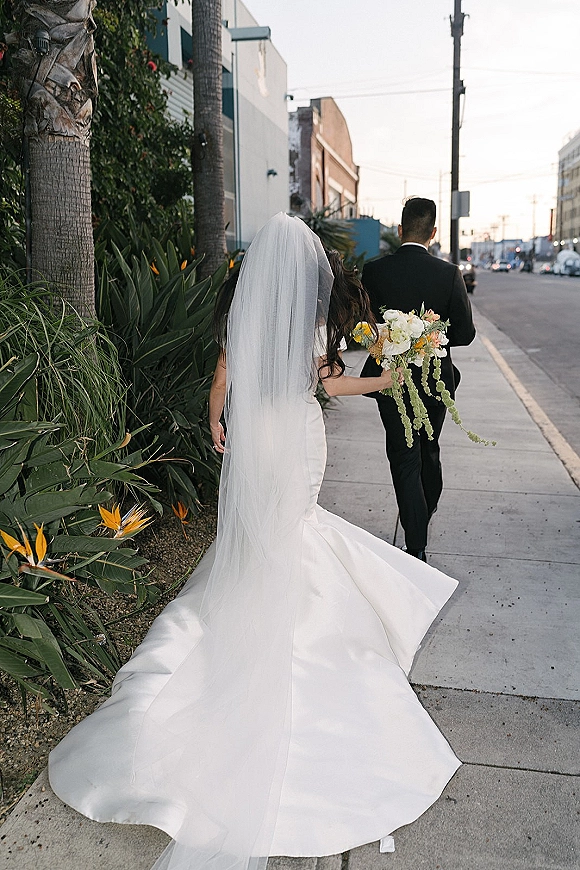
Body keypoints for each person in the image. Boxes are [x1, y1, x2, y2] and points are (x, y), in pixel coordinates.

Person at [49, 213, 460, 870]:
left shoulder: (243, 311)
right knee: (297, 529)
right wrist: (385, 380)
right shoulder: (314, 320)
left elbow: (221, 378)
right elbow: (323, 384)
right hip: (296, 434)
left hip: (254, 435)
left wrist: (218, 423)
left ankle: (248, 616)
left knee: (267, 533)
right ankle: (301, 629)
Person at [360, 197, 476, 562]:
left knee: (403, 455)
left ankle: (417, 543)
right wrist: (430, 337)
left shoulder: (374, 271)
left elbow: (362, 331)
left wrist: (398, 339)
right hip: (435, 379)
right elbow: (466, 333)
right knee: (428, 449)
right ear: (434, 232)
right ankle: (423, 516)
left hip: (389, 380)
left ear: (399, 229)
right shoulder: (449, 273)